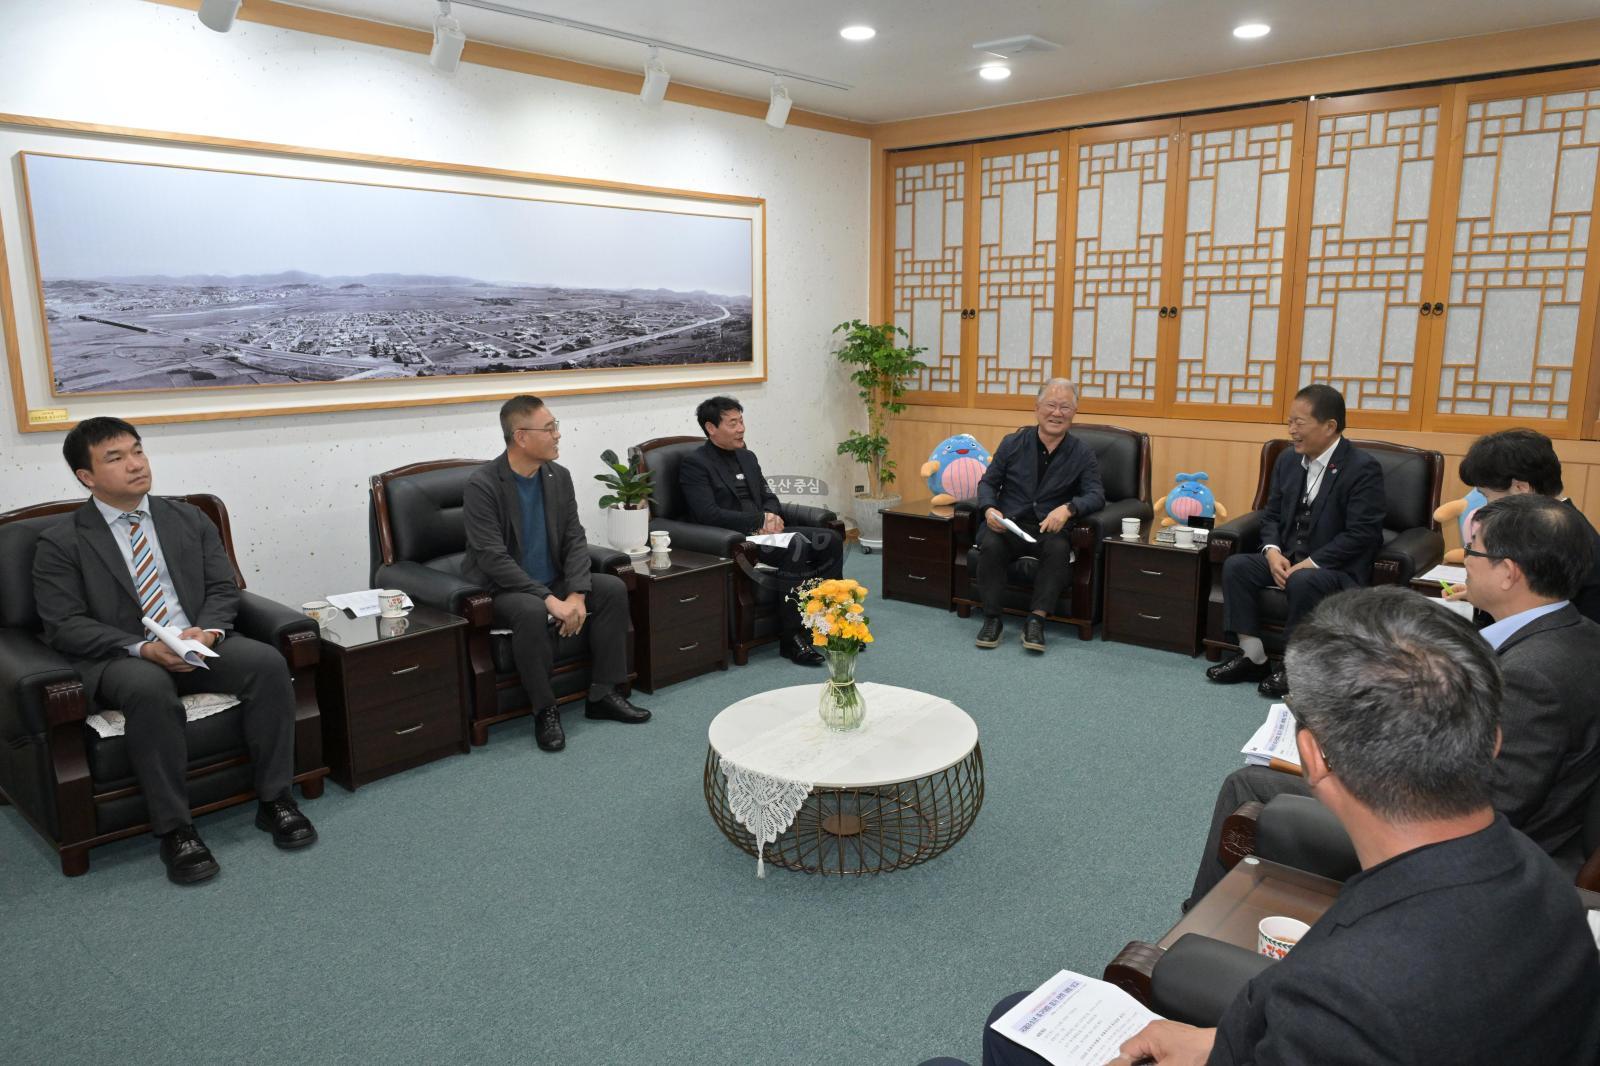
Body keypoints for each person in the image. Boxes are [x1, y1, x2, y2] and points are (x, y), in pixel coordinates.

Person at [986, 587, 1600, 1065]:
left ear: (1313, 759)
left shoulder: (1348, 999)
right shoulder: (1549, 887)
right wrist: (1217, 1043)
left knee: (1002, 1028)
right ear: (1493, 742)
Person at [1184, 493, 1600, 907]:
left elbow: (1488, 806)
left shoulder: (1531, 677)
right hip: (1498, 823)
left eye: (1473, 549)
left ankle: (1199, 922)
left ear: (1508, 573)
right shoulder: (1580, 635)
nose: (1465, 561)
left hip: (1459, 854)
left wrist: (1364, 763)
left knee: (1248, 785)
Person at [32, 417, 316, 886]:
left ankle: (275, 800)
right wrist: (141, 648)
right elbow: (65, 625)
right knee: (149, 689)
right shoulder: (61, 542)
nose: (135, 464)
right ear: (86, 476)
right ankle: (176, 830)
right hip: (122, 657)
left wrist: (211, 632)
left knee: (266, 663)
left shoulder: (188, 517)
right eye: (115, 458)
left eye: (137, 451)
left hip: (198, 642)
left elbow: (224, 588)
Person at [463, 395, 649, 752]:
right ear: (521, 436)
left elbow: (574, 539)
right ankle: (545, 710)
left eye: (556, 426)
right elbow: (492, 558)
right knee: (532, 610)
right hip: (502, 588)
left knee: (610, 588)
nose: (558, 435)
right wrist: (550, 601)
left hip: (555, 579)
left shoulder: (557, 476)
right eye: (549, 428)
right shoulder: (483, 485)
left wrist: (576, 594)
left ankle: (603, 694)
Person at [1206, 384, 1384, 698]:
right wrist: (1272, 552)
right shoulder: (1288, 461)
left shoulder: (1362, 468)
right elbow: (1270, 514)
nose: (1291, 431)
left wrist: (1311, 563)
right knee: (1237, 566)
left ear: (1330, 426)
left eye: (1299, 423)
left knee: (1303, 581)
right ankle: (1253, 656)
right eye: (1290, 422)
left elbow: (1362, 533)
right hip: (1288, 557)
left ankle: (1293, 666)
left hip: (1335, 568)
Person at [679, 395, 844, 666]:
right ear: (711, 428)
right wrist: (758, 519)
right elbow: (706, 514)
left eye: (741, 421)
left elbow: (769, 496)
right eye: (733, 424)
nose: (741, 429)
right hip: (737, 537)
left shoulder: (747, 456)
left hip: (767, 530)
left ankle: (831, 624)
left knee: (832, 540)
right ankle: (792, 639)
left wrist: (771, 515)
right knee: (796, 545)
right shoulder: (696, 464)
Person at [971, 378, 1104, 653]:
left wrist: (1068, 509)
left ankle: (1036, 620)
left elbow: (1096, 494)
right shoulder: (1013, 443)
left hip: (1048, 528)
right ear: (1037, 408)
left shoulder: (1082, 453)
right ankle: (992, 619)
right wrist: (988, 509)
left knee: (1058, 550)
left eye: (1065, 407)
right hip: (1009, 523)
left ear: (1074, 412)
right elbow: (987, 483)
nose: (1058, 413)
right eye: (1051, 405)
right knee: (991, 545)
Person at [1457, 427, 1600, 622]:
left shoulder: (1556, 537)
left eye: (1487, 495)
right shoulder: (1542, 526)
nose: (1487, 505)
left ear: (1520, 488)